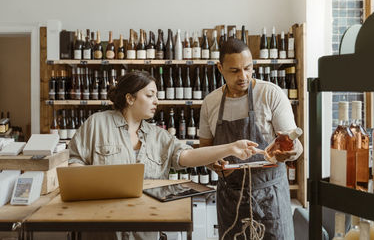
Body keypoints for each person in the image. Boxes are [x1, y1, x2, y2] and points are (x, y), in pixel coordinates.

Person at [68, 70, 261, 240]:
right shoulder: (97, 124)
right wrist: (86, 187)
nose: (156, 101)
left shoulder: (158, 135)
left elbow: (186, 156)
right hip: (102, 229)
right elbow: (75, 161)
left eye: (156, 96)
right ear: (130, 98)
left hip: (146, 230)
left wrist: (231, 148)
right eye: (150, 95)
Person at [199, 38, 303, 239]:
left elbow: (296, 146)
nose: (243, 76)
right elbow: (205, 148)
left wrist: (290, 152)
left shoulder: (270, 94)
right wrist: (213, 163)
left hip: (270, 197)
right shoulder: (210, 102)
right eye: (234, 70)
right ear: (220, 68)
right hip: (231, 198)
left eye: (248, 68)